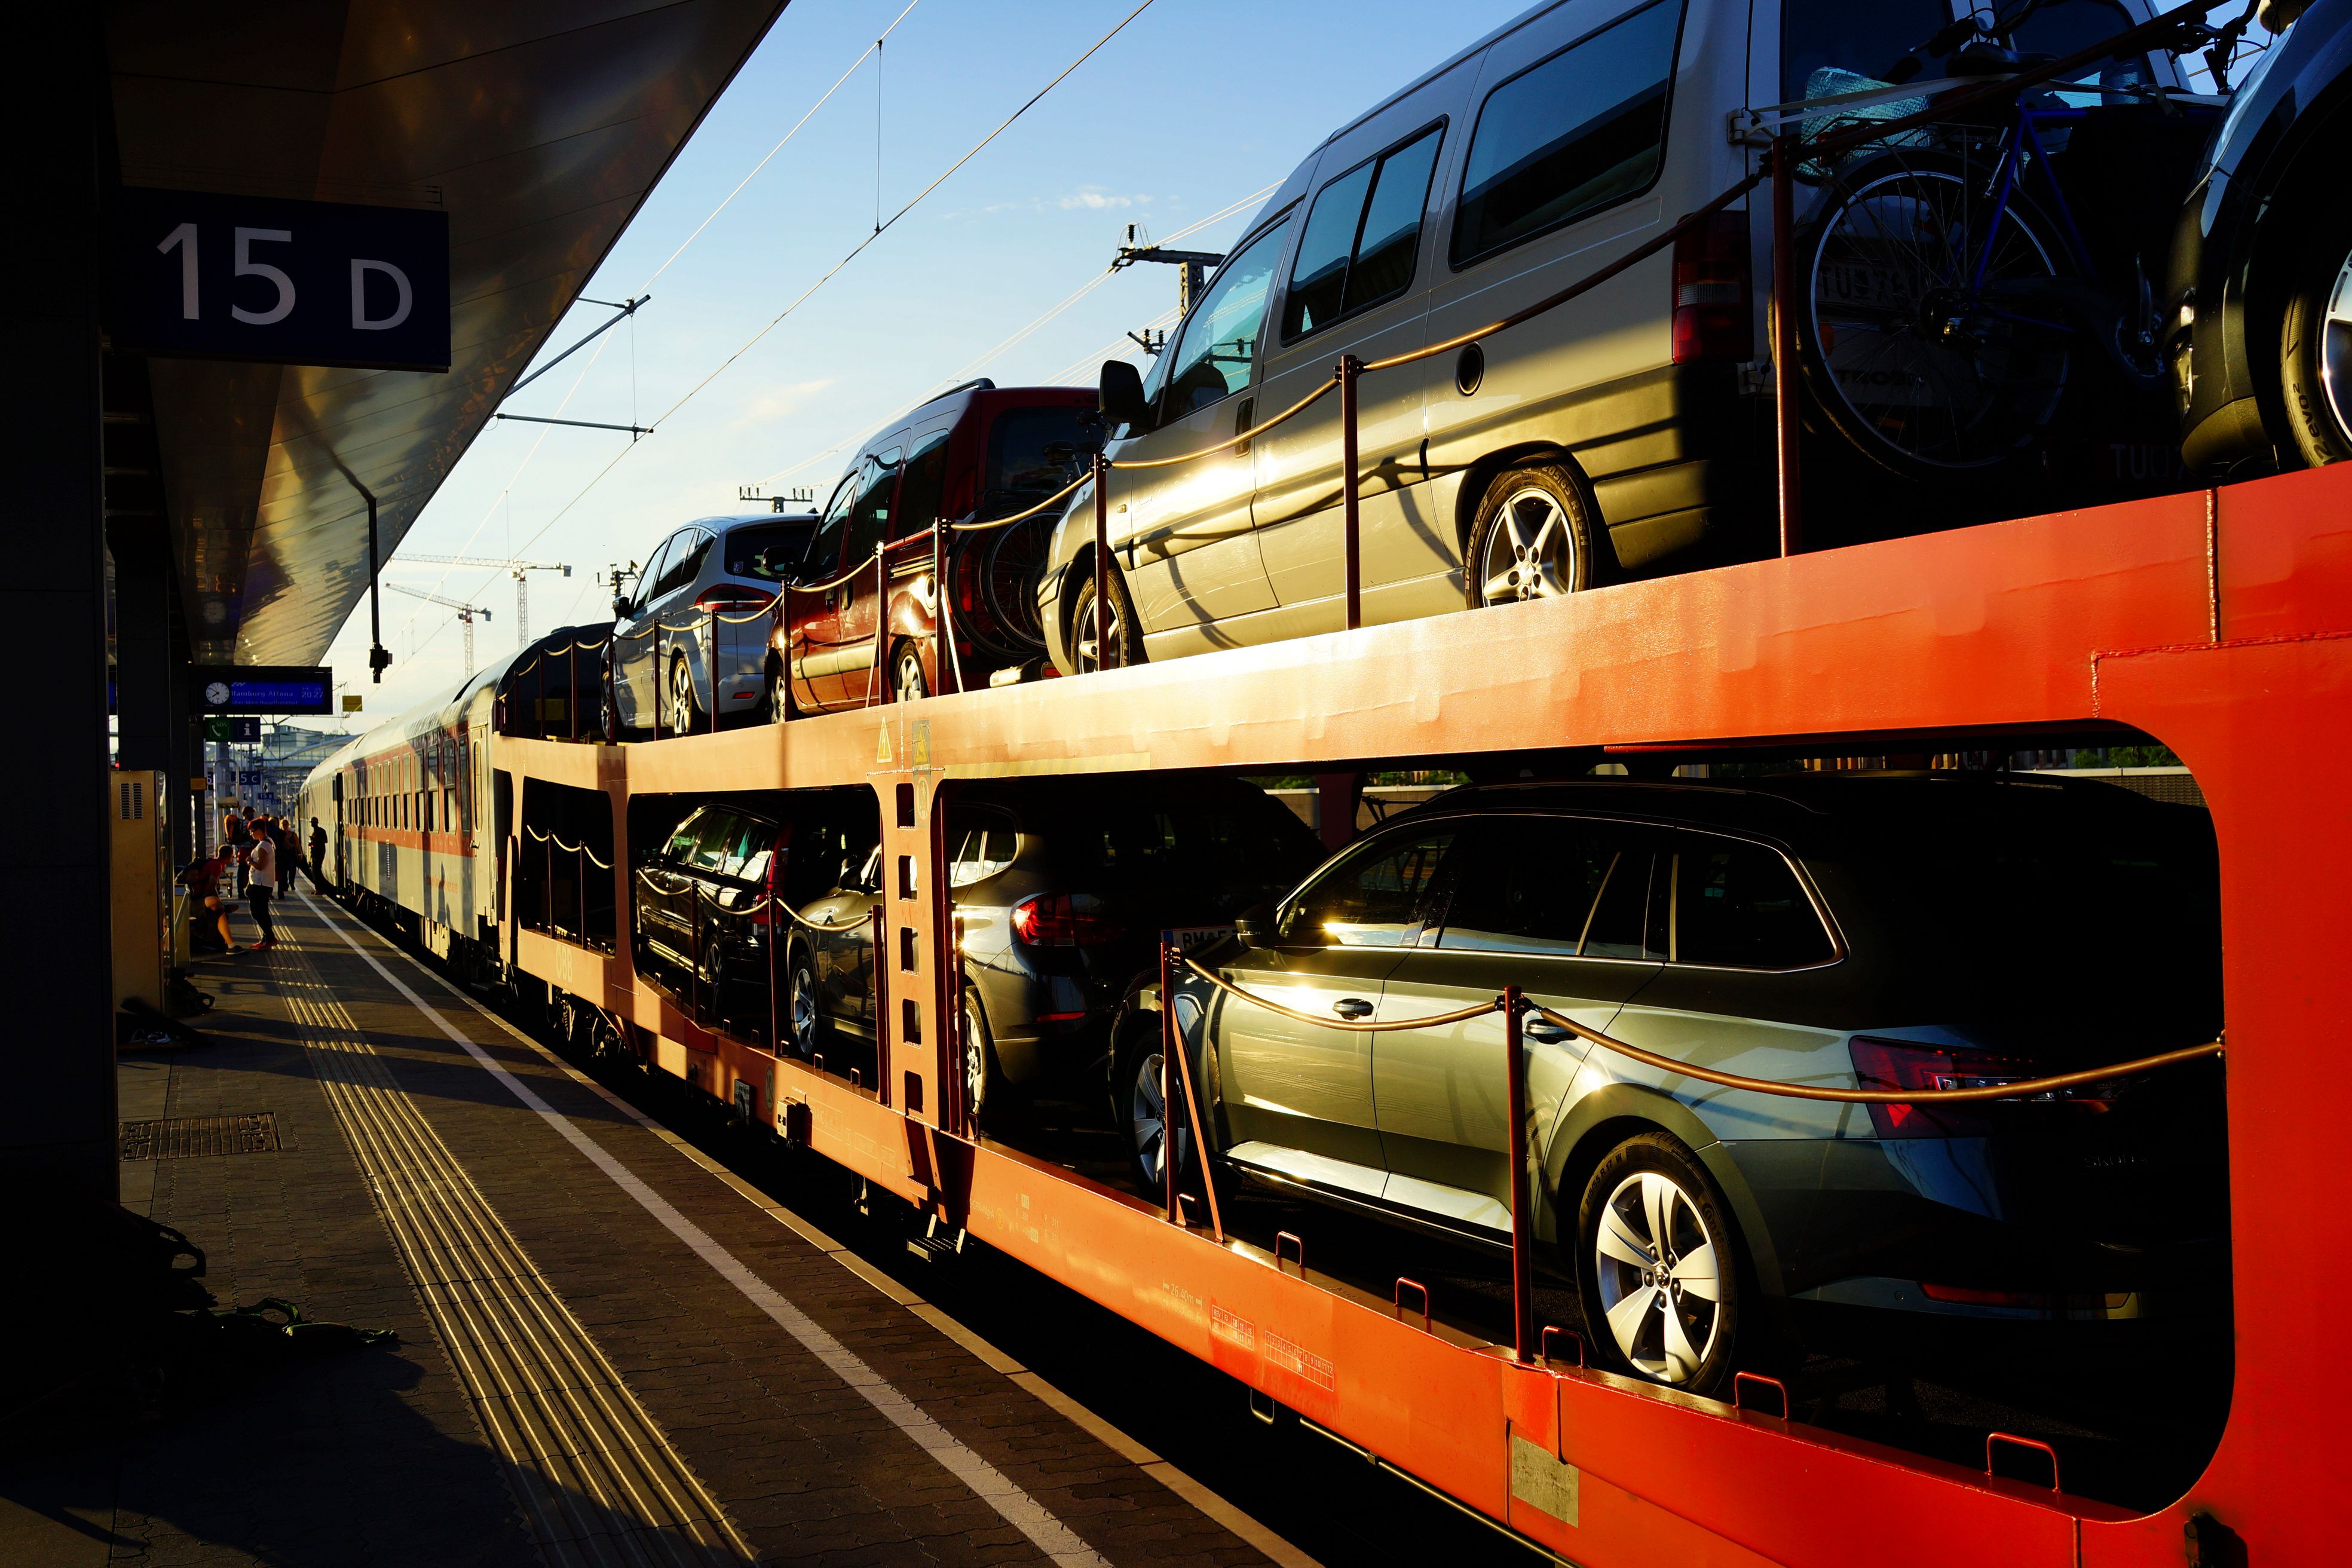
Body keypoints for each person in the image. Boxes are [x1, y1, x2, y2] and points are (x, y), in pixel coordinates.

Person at [245, 823, 278, 950]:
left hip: (261, 884)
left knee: (257, 912)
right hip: (263, 884)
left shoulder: (263, 846)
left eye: (252, 831)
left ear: (259, 830)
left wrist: (250, 861)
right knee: (262, 911)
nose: (251, 834)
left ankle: (270, 937)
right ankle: (267, 938)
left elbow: (261, 866)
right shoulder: (269, 842)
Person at [309, 817, 328, 888]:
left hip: (318, 852)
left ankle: (319, 888)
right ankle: (318, 888)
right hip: (317, 852)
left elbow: (325, 841)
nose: (312, 824)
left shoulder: (320, 831)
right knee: (316, 870)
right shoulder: (318, 831)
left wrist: (315, 840)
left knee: (316, 871)